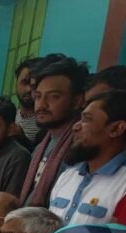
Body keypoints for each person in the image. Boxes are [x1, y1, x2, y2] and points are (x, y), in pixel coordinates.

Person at [19, 56, 89, 206]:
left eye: (54, 97)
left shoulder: (80, 148)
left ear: (77, 101)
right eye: (38, 96)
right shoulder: (41, 146)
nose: (41, 105)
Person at [48, 90, 126, 224]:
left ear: (116, 129)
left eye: (87, 119)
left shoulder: (123, 184)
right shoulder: (68, 176)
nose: (75, 127)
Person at [14, 57, 42, 144]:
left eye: (35, 85)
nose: (29, 89)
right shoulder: (9, 117)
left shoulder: (46, 121)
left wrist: (22, 138)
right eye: (24, 82)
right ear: (16, 83)